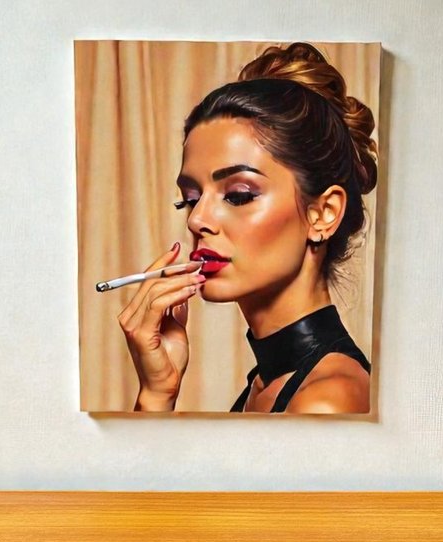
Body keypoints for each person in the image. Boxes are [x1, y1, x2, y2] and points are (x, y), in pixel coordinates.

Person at [119, 42, 378, 413]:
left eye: (238, 194)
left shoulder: (325, 400)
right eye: (190, 197)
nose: (196, 219)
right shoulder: (267, 383)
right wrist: (157, 393)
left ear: (323, 213)